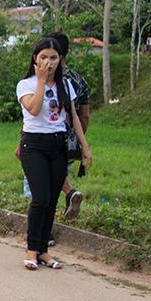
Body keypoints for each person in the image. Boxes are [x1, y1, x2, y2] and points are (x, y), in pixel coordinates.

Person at [16, 37, 92, 271]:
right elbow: (34, 108)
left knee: (51, 201)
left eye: (53, 58)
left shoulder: (65, 85)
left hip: (58, 145)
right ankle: (31, 249)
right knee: (40, 198)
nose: (49, 62)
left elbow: (74, 117)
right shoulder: (25, 84)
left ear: (60, 60)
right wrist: (41, 81)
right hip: (34, 145)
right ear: (35, 59)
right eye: (43, 57)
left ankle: (43, 252)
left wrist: (85, 147)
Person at [49, 32, 90, 222]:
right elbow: (84, 115)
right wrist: (77, 140)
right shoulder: (79, 80)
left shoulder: (49, 79)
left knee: (46, 179)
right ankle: (69, 195)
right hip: (70, 138)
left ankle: (69, 193)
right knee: (57, 173)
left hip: (48, 136)